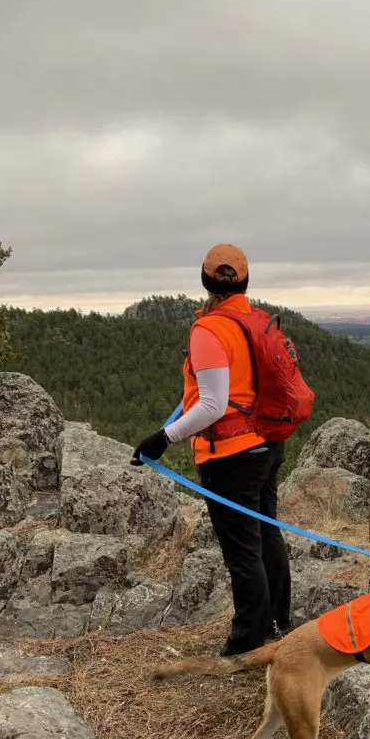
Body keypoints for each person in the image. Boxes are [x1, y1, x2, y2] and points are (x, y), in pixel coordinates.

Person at [131, 244, 291, 657]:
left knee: (242, 550)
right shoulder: (254, 320)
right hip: (268, 443)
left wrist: (163, 438)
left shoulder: (209, 330)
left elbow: (213, 405)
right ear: (245, 281)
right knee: (265, 530)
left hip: (233, 455)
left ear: (204, 280)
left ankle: (246, 643)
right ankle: (276, 623)